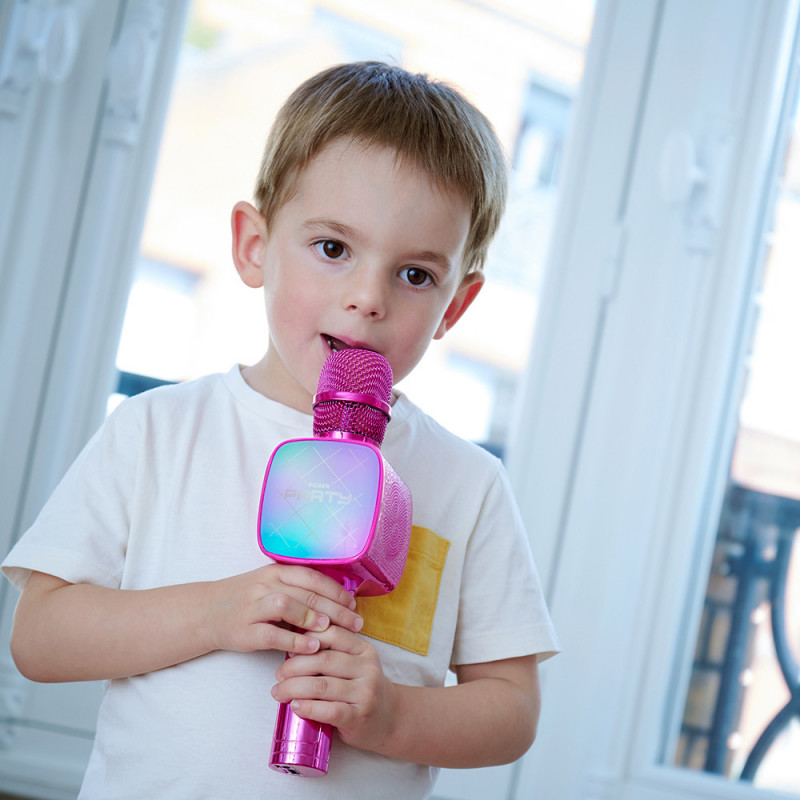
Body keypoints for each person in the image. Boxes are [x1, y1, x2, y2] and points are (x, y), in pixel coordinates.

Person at [3, 61, 559, 799]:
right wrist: (218, 610)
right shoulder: (159, 431)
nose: (367, 299)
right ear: (254, 245)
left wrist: (393, 715)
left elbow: (511, 709)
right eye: (333, 249)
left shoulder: (469, 484)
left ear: (457, 306)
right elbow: (39, 638)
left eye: (416, 275)